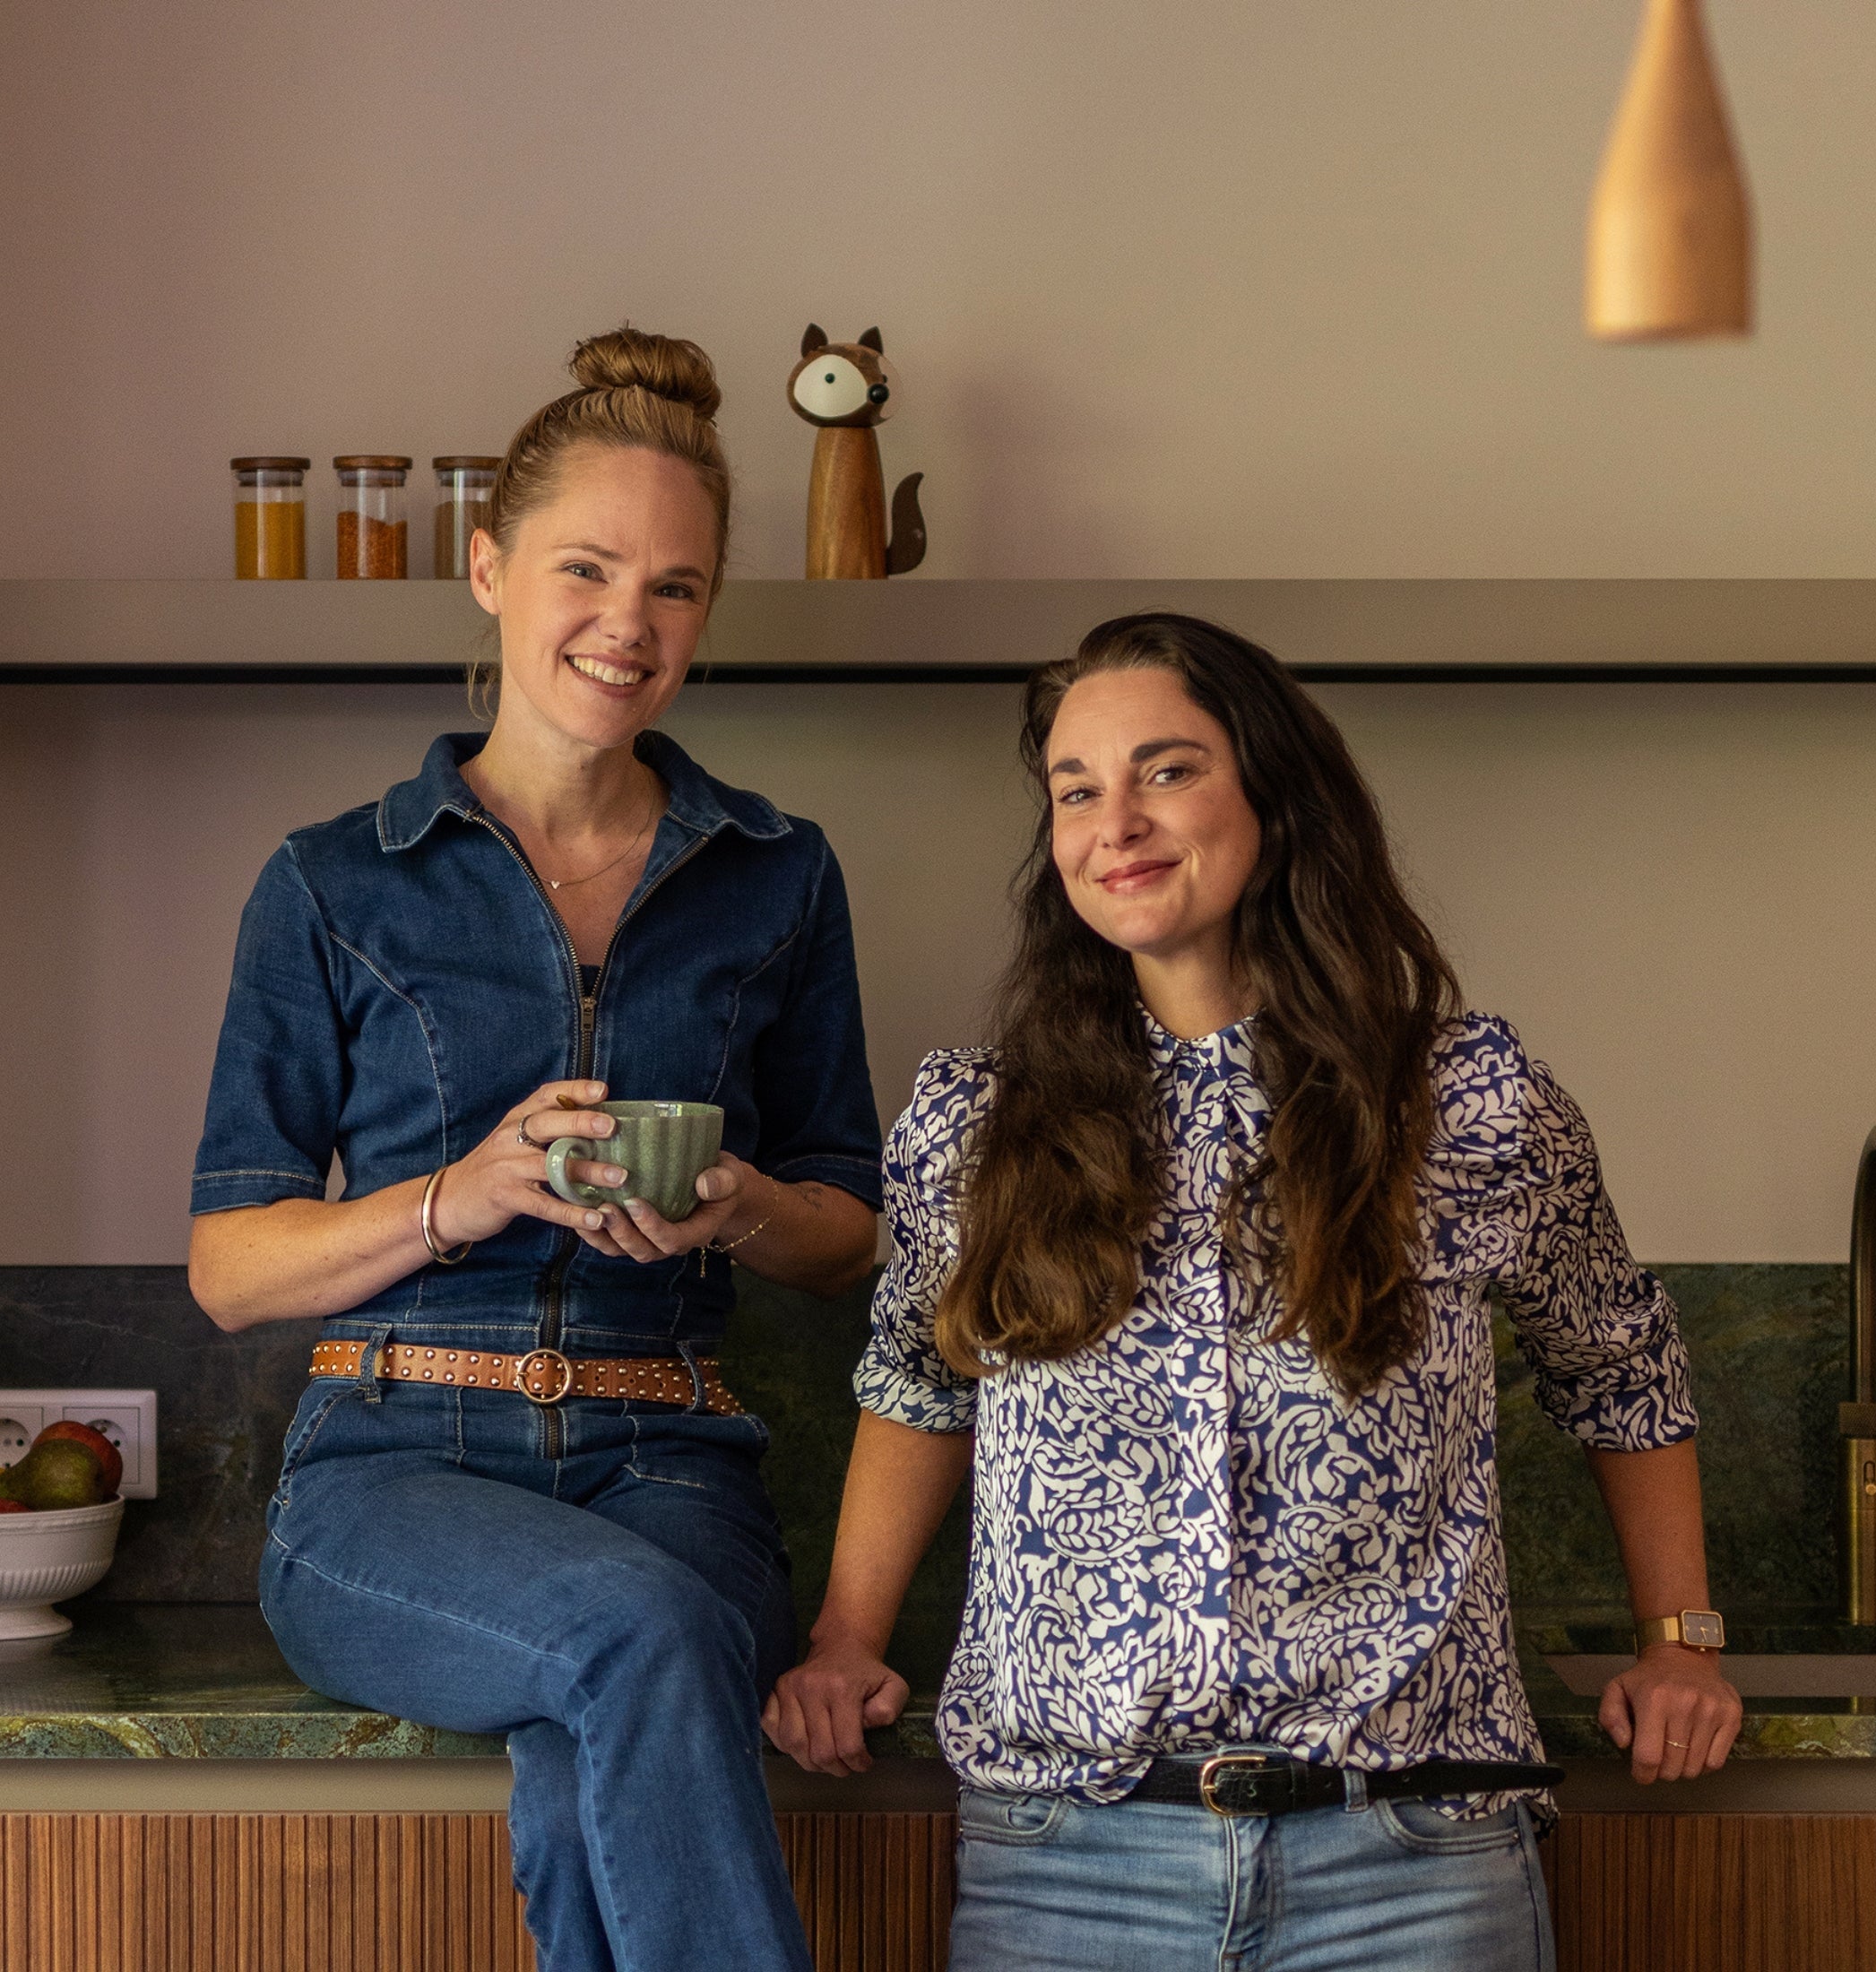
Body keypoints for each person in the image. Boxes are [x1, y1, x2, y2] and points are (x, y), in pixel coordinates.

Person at [764, 614, 1742, 1970]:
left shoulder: (1467, 1100)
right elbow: (921, 1381)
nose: (1118, 821)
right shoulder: (976, 1123)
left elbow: (1620, 1363)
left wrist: (1680, 1640)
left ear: (1275, 797)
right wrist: (844, 1638)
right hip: (1072, 1862)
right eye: (1076, 789)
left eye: (1166, 771)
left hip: (1411, 1855)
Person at [187, 327, 884, 1972]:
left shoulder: (779, 877)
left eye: (677, 589)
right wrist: (459, 1196)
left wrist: (736, 1214)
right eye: (587, 568)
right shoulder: (332, 883)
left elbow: (852, 1228)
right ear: (490, 570)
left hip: (675, 1464)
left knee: (600, 1741)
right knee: (638, 1637)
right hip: (391, 1470)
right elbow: (228, 1269)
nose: (628, 625)